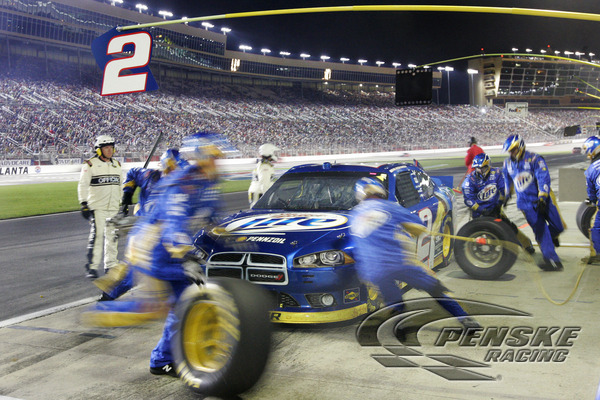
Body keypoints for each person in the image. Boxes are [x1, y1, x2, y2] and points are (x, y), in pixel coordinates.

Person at [349, 177, 480, 333]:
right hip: (397, 263)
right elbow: (417, 226)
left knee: (394, 300)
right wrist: (415, 230)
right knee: (436, 288)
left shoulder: (354, 215)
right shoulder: (389, 207)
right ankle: (465, 320)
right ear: (380, 192)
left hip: (371, 271)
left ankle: (400, 326)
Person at [95, 149, 186, 301]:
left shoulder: (179, 187)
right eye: (173, 169)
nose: (176, 173)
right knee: (136, 269)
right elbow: (132, 173)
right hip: (144, 233)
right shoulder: (150, 176)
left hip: (162, 233)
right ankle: (107, 297)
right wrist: (127, 195)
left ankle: (178, 300)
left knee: (173, 268)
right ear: (166, 166)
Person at [502, 134, 565, 271]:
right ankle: (552, 261)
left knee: (558, 226)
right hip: (526, 205)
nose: (511, 153)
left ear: (521, 146)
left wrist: (542, 196)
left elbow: (543, 177)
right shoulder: (507, 164)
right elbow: (507, 180)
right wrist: (507, 195)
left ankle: (551, 240)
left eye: (513, 150)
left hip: (543, 200)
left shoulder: (535, 159)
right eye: (510, 151)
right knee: (541, 231)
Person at [462, 153, 534, 254]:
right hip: (478, 212)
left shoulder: (497, 173)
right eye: (477, 168)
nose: (480, 171)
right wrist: (482, 210)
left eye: (482, 168)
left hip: (495, 208)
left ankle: (526, 245)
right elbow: (468, 200)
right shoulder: (469, 180)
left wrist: (499, 204)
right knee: (484, 232)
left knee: (510, 227)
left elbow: (504, 189)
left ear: (488, 165)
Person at [78, 134, 122, 279]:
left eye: (111, 147)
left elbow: (120, 186)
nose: (109, 150)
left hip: (113, 207)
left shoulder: (117, 165)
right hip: (98, 207)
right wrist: (84, 203)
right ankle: (92, 267)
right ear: (99, 150)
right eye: (106, 148)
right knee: (96, 237)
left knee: (112, 237)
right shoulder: (90, 165)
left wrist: (122, 202)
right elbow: (83, 185)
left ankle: (111, 265)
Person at [582, 136, 600, 263]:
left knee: (596, 229)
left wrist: (593, 202)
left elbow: (592, 193)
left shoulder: (591, 169)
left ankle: (597, 256)